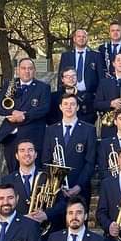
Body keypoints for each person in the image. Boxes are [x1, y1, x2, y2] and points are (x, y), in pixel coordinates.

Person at [39, 93, 97, 229]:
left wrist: (78, 186)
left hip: (79, 188)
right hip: (56, 190)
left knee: (80, 227)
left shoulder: (89, 129)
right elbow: (46, 160)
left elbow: (90, 162)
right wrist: (57, 185)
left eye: (72, 104)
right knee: (57, 228)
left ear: (77, 107)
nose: (69, 107)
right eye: (65, 104)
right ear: (60, 107)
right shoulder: (51, 130)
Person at [0, 58, 50, 173]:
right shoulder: (10, 85)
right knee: (13, 172)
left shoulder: (43, 87)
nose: (26, 71)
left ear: (34, 71)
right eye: (23, 68)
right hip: (12, 137)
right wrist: (12, 113)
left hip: (33, 136)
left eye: (30, 68)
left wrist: (24, 116)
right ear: (18, 70)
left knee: (34, 172)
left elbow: (44, 109)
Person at [94, 52, 121, 139]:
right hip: (109, 128)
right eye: (118, 60)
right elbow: (96, 104)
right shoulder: (104, 83)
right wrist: (110, 103)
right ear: (113, 64)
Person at [58, 28, 103, 96]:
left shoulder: (96, 56)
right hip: (70, 94)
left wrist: (100, 95)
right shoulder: (66, 56)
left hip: (90, 95)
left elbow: (101, 77)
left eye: (84, 36)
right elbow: (61, 76)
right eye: (79, 36)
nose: (81, 38)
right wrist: (60, 93)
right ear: (74, 39)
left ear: (87, 39)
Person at [1, 139, 40, 217]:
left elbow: (61, 204)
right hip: (19, 227)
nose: (26, 153)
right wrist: (24, 219)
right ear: (17, 156)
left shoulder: (47, 176)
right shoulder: (7, 180)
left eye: (30, 150)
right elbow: (5, 207)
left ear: (35, 154)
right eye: (22, 150)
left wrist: (46, 214)